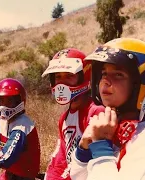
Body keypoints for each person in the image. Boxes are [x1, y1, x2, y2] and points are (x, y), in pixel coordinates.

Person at [70, 37, 145, 180]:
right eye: (103, 74)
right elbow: (78, 177)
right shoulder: (112, 126)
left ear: (141, 85)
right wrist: (84, 150)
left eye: (118, 74)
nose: (105, 81)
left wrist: (101, 149)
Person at [41, 48, 105, 180]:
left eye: (69, 76)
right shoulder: (64, 119)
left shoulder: (95, 112)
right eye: (58, 77)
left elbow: (98, 162)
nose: (62, 83)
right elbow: (61, 158)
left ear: (84, 76)